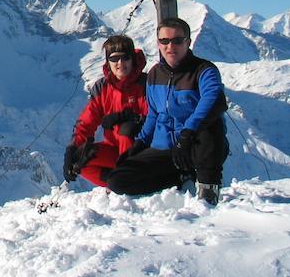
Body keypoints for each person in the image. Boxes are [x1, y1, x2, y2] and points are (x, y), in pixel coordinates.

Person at [106, 17, 229, 205]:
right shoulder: (155, 74)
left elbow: (214, 99)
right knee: (117, 180)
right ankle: (178, 178)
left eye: (177, 40)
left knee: (212, 126)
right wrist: (139, 144)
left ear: (188, 42)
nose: (170, 46)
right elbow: (154, 114)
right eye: (164, 41)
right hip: (164, 149)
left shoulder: (203, 70)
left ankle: (208, 191)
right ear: (158, 43)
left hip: (195, 145)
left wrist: (187, 135)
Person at [63, 34, 148, 188]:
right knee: (80, 158)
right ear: (108, 62)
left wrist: (127, 117)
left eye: (125, 58)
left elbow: (154, 118)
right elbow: (86, 122)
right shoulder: (102, 88)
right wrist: (72, 148)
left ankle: (130, 180)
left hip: (142, 152)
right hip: (115, 151)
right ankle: (119, 183)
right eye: (114, 59)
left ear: (133, 59)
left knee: (126, 130)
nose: (120, 63)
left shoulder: (146, 84)